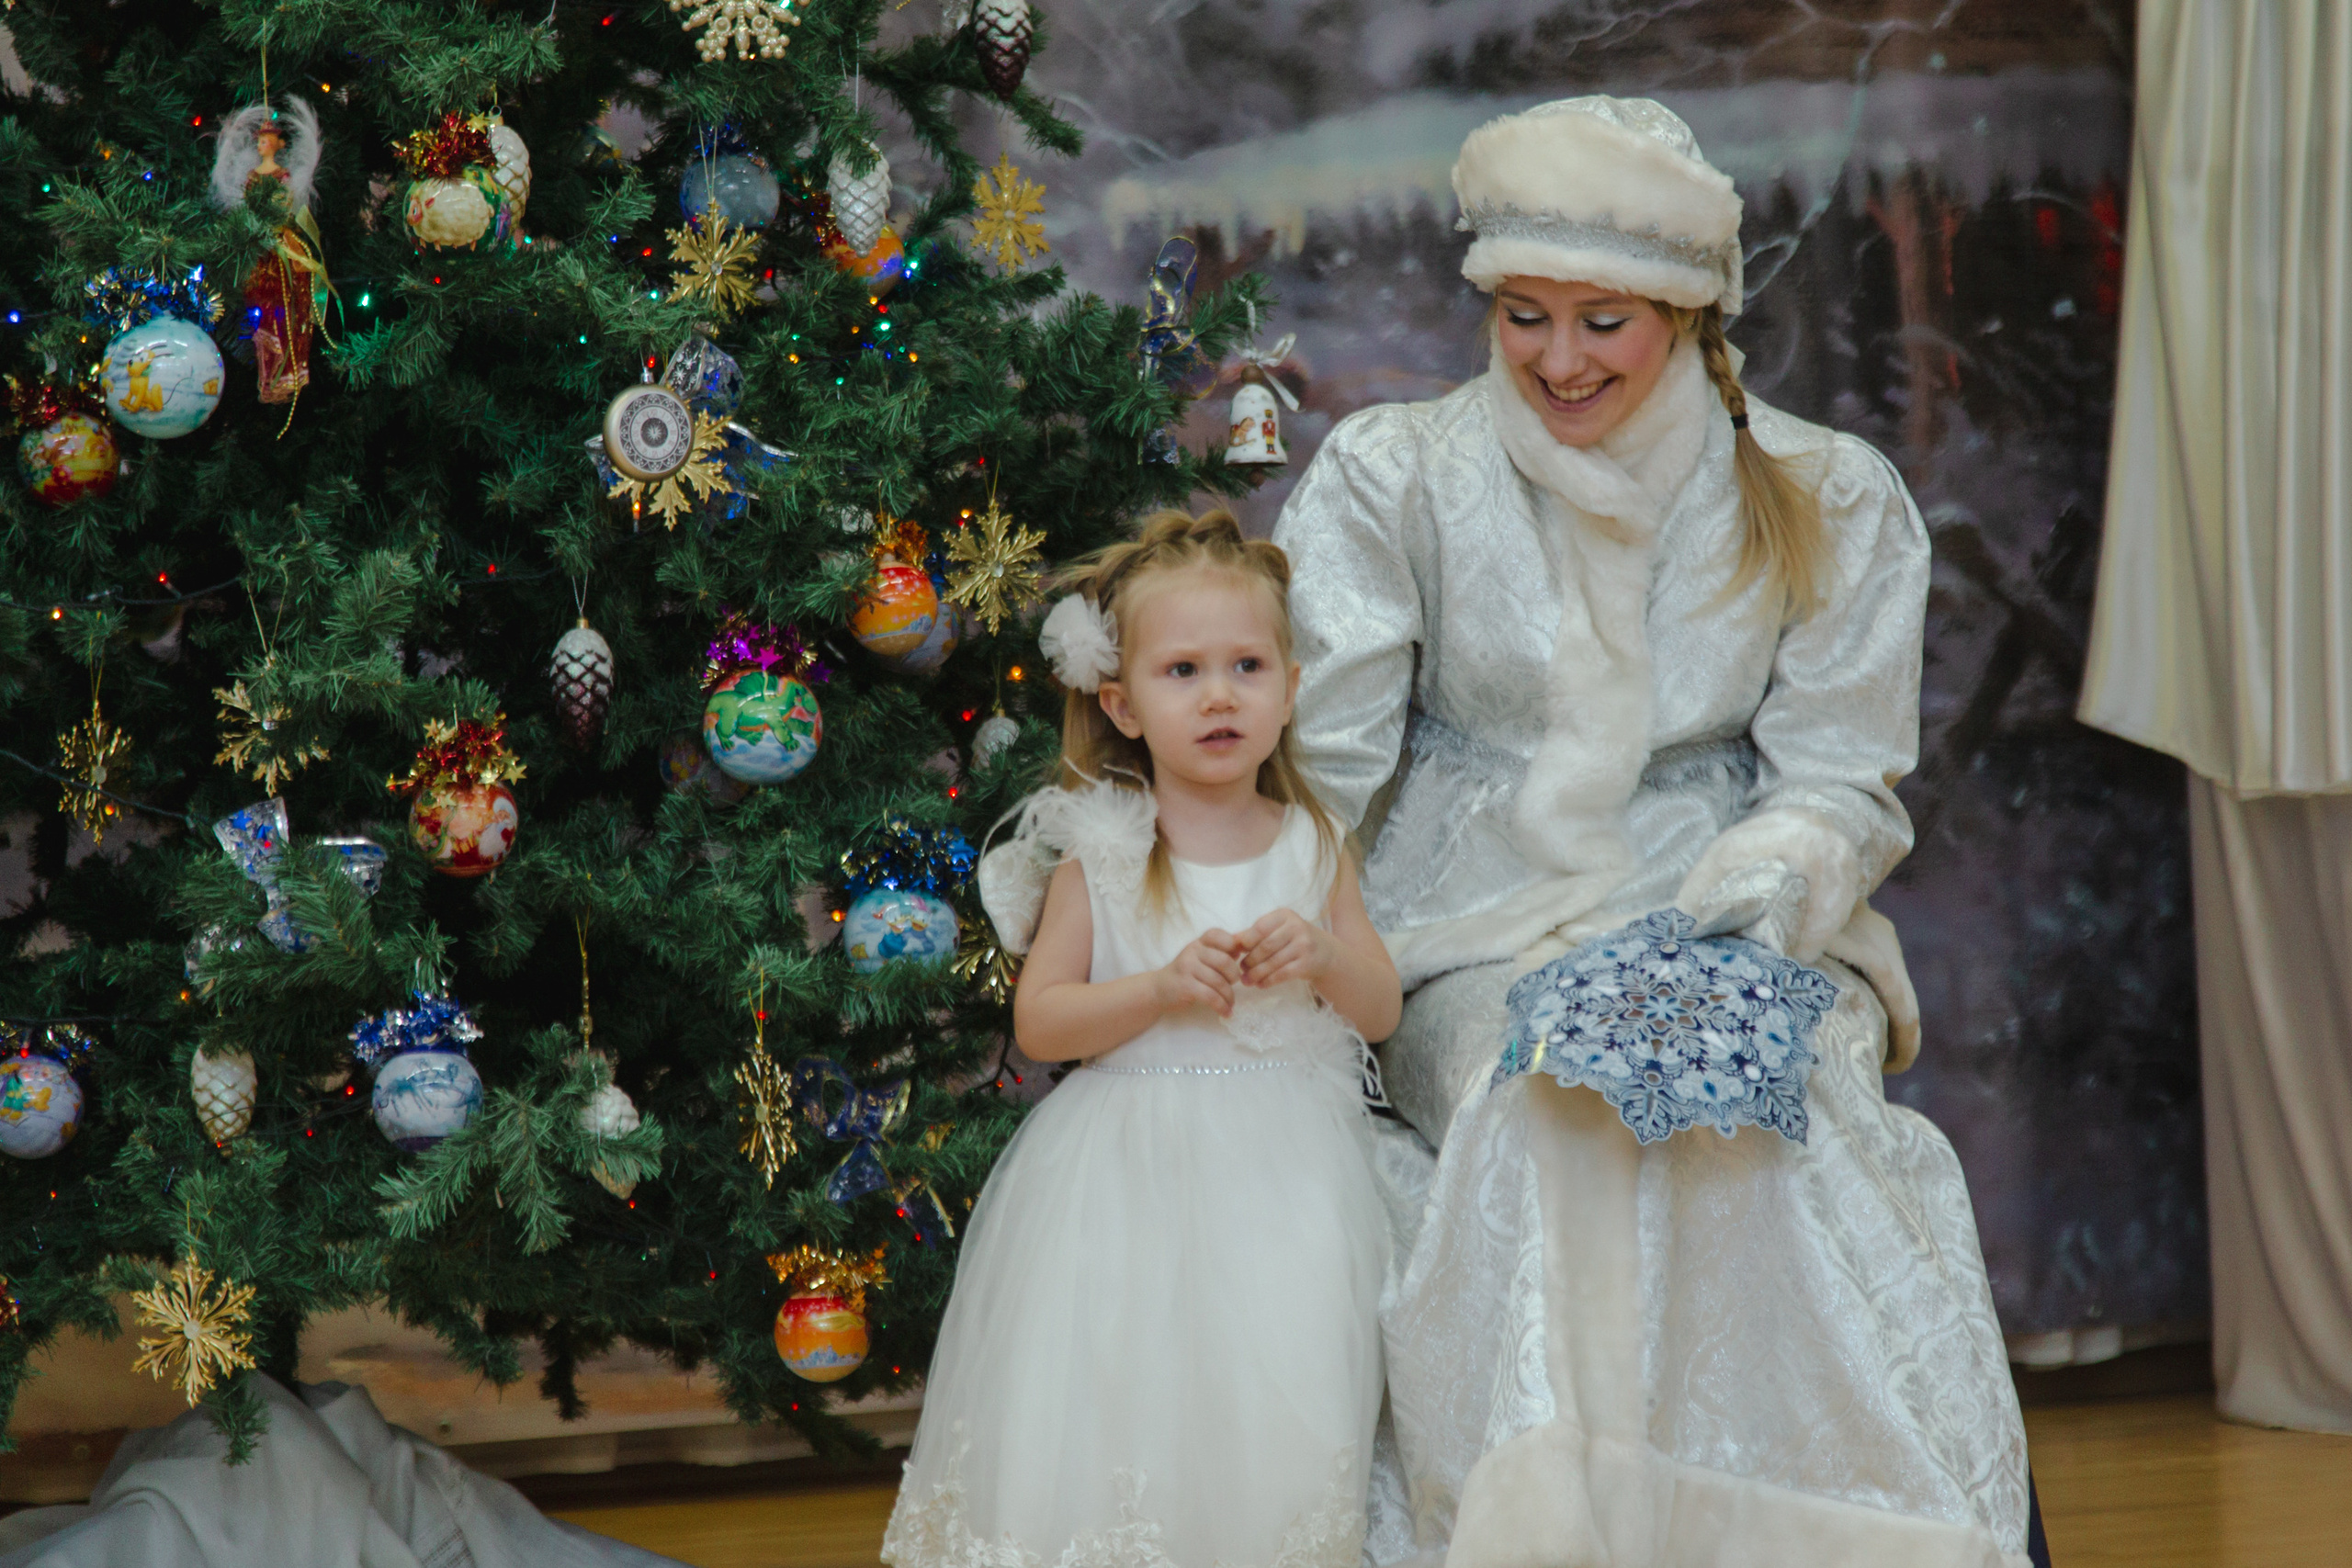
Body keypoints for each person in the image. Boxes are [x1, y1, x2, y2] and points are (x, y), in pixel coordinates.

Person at [1273, 98, 2038, 1567]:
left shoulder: (1827, 495)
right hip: (1466, 924)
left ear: (1688, 314)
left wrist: (1743, 914)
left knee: (1772, 1098)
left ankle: (1809, 1533)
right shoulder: (1396, 474)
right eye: (1524, 316)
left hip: (1727, 906)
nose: (1560, 360)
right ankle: (1556, 1532)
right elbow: (1328, 762)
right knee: (1547, 1093)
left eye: (1603, 322)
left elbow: (1839, 777)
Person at [882, 510, 1401, 1568]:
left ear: (1291, 687)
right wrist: (1160, 987)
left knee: (1273, 1372)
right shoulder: (1102, 848)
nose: (1219, 695)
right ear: (1120, 703)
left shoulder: (1314, 842)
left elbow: (1380, 1008)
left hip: (1286, 1168)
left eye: (1247, 665)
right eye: (1183, 671)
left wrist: (1323, 957)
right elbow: (1043, 1021)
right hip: (1124, 1167)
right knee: (1130, 1380)